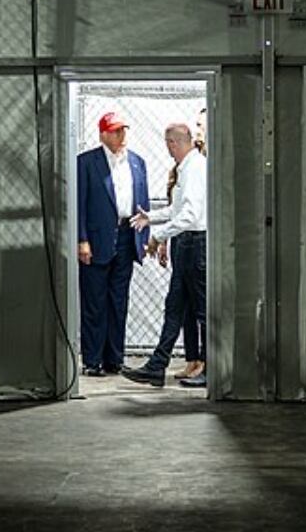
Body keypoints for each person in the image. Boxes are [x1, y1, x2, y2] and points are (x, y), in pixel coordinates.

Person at [122, 120, 207, 388]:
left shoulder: (194, 169)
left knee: (202, 311)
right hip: (188, 245)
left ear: (174, 143)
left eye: (169, 143)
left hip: (195, 244)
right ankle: (157, 367)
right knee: (175, 308)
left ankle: (211, 369)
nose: (168, 149)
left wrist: (159, 234)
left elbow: (190, 216)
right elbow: (178, 210)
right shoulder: (188, 168)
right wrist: (152, 218)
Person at [75, 111, 150, 377]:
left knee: (119, 300)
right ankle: (92, 360)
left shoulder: (137, 162)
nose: (121, 136)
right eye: (116, 131)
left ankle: (114, 358)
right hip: (96, 240)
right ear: (103, 134)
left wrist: (144, 238)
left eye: (123, 130)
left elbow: (144, 203)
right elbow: (79, 204)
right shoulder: (86, 162)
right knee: (95, 301)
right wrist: (81, 239)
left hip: (126, 236)